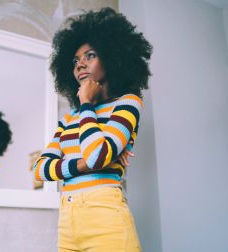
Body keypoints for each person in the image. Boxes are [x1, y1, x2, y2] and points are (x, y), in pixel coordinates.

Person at [33, 7, 152, 252]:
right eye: (76, 60)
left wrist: (87, 103)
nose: (80, 65)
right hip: (67, 221)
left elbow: (97, 155)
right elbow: (39, 169)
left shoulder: (127, 103)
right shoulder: (69, 119)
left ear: (112, 57)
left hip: (106, 216)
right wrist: (85, 164)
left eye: (90, 55)